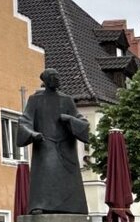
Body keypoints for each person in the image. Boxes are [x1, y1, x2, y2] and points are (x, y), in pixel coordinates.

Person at [16, 68, 90, 214]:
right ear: (46, 80)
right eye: (54, 77)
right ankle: (40, 205)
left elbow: (83, 122)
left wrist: (69, 119)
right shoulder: (35, 100)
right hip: (45, 143)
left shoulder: (66, 100)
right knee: (46, 173)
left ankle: (72, 207)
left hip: (65, 147)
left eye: (58, 77)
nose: (57, 80)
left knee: (68, 179)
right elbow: (25, 121)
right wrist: (32, 134)